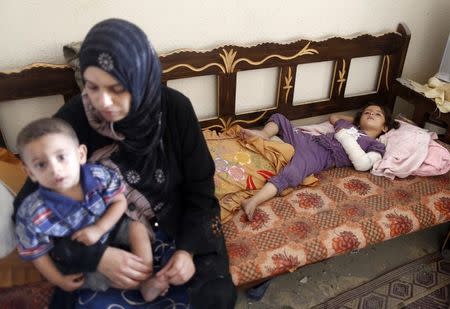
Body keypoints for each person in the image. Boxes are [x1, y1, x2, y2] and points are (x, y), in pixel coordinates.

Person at [13, 18, 236, 308]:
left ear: (141, 79)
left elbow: (200, 190)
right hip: (104, 233)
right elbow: (29, 207)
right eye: (93, 87)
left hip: (175, 222)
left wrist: (186, 251)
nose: (103, 102)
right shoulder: (74, 118)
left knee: (214, 297)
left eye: (117, 88)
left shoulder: (175, 110)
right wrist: (98, 257)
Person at [14, 117, 168, 302]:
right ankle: (140, 284)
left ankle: (147, 273)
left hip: (109, 227)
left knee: (137, 228)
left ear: (80, 155)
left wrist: (100, 228)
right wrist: (58, 280)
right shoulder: (33, 212)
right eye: (41, 164)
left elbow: (119, 201)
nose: (55, 169)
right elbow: (36, 253)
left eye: (61, 157)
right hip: (77, 251)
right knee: (92, 278)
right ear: (30, 171)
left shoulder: (99, 175)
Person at [241, 104, 399, 220]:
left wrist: (345, 135)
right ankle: (263, 134)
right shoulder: (348, 125)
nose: (371, 114)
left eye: (377, 114)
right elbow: (334, 118)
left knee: (293, 173)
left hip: (321, 155)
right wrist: (357, 119)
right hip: (309, 140)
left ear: (384, 127)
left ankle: (253, 201)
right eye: (367, 112)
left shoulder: (375, 144)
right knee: (280, 118)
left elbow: (363, 164)